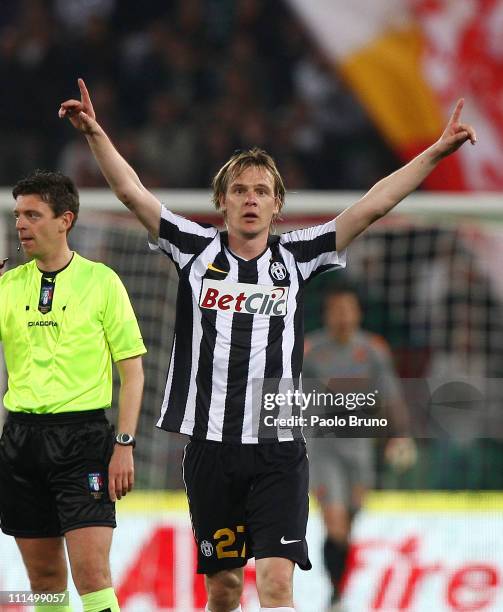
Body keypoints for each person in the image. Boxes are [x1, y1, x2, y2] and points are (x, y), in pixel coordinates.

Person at [59, 78, 476, 612]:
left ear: (277, 205)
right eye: (239, 190)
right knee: (225, 590)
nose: (250, 199)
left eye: (261, 191)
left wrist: (435, 153)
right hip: (209, 449)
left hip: (278, 450)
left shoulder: (298, 256)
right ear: (222, 202)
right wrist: (94, 132)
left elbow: (374, 205)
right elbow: (130, 192)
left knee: (277, 589)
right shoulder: (193, 249)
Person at [0, 170, 146, 612]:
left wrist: (123, 444)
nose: (21, 224)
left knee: (92, 577)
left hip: (82, 442)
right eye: (18, 214)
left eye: (33, 214)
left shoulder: (102, 282)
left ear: (65, 219)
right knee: (44, 583)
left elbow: (133, 373)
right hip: (21, 441)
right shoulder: (7, 286)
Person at [303, 285, 416, 611]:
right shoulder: (311, 349)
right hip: (323, 446)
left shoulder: (373, 350)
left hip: (361, 447)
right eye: (336, 310)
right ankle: (336, 596)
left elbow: (391, 396)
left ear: (358, 314)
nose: (342, 317)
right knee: (334, 519)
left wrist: (401, 434)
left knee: (349, 523)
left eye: (347, 310)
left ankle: (337, 588)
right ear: (327, 315)